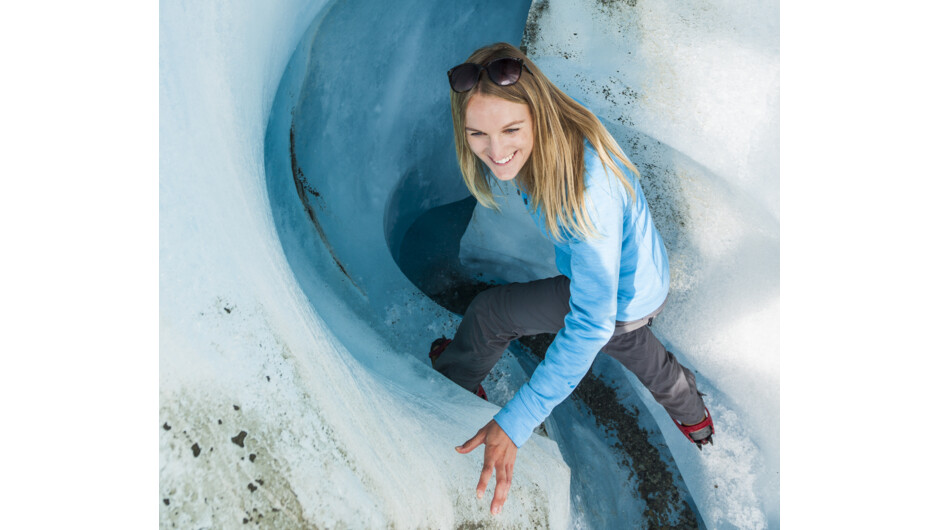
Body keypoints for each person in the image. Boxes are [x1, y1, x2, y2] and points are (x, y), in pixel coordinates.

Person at [429, 42, 714, 516]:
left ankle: (697, 423)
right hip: (630, 278)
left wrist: (516, 421)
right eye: (477, 133)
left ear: (536, 113)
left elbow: (591, 323)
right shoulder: (559, 134)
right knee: (635, 352)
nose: (495, 151)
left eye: (510, 130)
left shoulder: (586, 192)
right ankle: (696, 420)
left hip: (620, 303)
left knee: (637, 355)